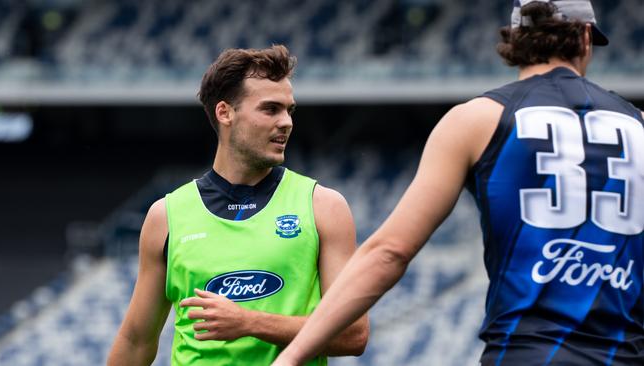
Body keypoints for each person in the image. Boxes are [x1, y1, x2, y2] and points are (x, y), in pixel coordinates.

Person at [272, 1, 644, 365]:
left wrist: (291, 357)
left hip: (525, 352)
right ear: (584, 38)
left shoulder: (476, 119)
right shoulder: (639, 124)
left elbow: (390, 251)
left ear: (515, 38)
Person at [107, 45, 368, 366]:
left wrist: (249, 322)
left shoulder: (323, 207)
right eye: (270, 109)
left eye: (290, 110)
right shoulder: (166, 216)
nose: (286, 122)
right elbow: (136, 341)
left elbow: (353, 334)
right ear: (225, 112)